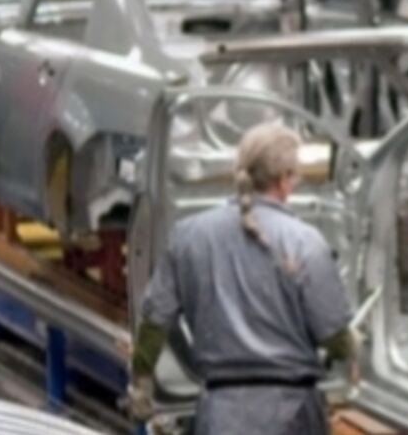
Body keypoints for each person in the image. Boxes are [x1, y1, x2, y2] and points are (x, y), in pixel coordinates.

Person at [128, 122, 355, 435]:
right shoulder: (306, 242)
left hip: (221, 416)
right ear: (285, 180)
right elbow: (335, 337)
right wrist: (356, 349)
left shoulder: (189, 236)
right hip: (293, 416)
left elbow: (155, 320)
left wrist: (141, 383)